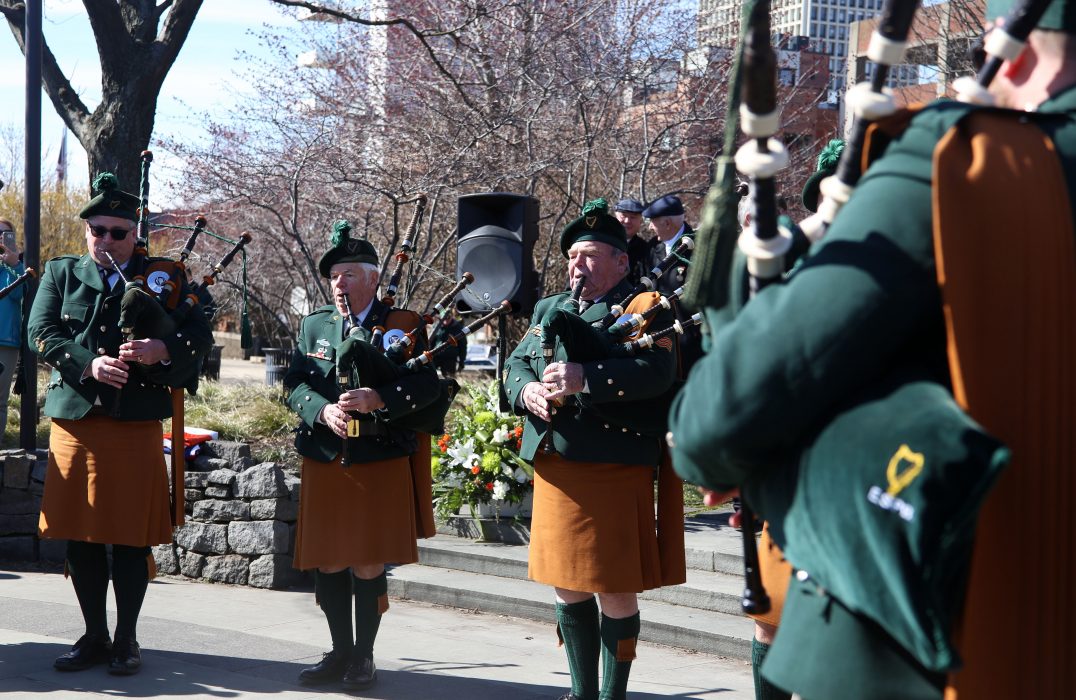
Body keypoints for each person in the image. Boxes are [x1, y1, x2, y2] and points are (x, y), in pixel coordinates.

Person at [669, 2, 1076, 698]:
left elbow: (736, 404)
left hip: (957, 637)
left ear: (1014, 54)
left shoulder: (967, 162)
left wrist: (726, 451)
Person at [28, 173, 213, 676]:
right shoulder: (61, 273)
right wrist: (87, 364)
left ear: (135, 234)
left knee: (130, 537)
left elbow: (200, 333)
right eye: (96, 230)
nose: (104, 240)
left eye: (116, 232)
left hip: (133, 422)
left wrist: (163, 350)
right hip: (77, 420)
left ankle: (127, 639)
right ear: (87, 231)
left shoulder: (168, 279)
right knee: (82, 536)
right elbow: (39, 332)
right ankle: (93, 635)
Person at [503, 199, 685, 700]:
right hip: (558, 465)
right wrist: (526, 391)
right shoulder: (550, 308)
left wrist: (586, 378)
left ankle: (612, 695)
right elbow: (515, 365)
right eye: (571, 256)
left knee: (615, 586)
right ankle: (582, 692)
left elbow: (656, 373)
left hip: (612, 464)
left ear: (622, 261)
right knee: (567, 583)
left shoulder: (644, 308)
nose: (576, 265)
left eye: (589, 255)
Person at [283, 220, 440, 692]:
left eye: (349, 273)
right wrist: (321, 409)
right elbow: (294, 384)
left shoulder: (404, 325)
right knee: (329, 560)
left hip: (378, 457)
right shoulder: (315, 325)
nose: (339, 283)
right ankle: (339, 651)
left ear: (372, 278)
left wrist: (380, 399)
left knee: (368, 562)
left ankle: (365, 657)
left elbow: (429, 386)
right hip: (327, 455)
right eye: (334, 275)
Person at [642, 195, 701, 371]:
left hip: (691, 333)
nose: (651, 227)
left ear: (667, 223)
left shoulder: (698, 247)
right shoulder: (653, 247)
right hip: (659, 333)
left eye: (653, 222)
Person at [0, 218, 26, 434]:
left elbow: (19, 294)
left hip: (6, 340)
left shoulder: (18, 265)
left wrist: (13, 263)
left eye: (5, 234)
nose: (1, 237)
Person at [613, 197, 648, 286]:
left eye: (633, 217)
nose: (627, 221)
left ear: (640, 221)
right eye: (623, 215)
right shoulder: (602, 244)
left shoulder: (646, 249)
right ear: (615, 217)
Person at [429, 308, 466, 376]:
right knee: (428, 375)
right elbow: (430, 343)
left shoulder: (458, 328)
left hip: (450, 358)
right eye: (444, 318)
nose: (446, 321)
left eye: (448, 318)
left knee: (449, 378)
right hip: (436, 356)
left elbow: (463, 346)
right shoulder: (436, 327)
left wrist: (461, 362)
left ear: (451, 317)